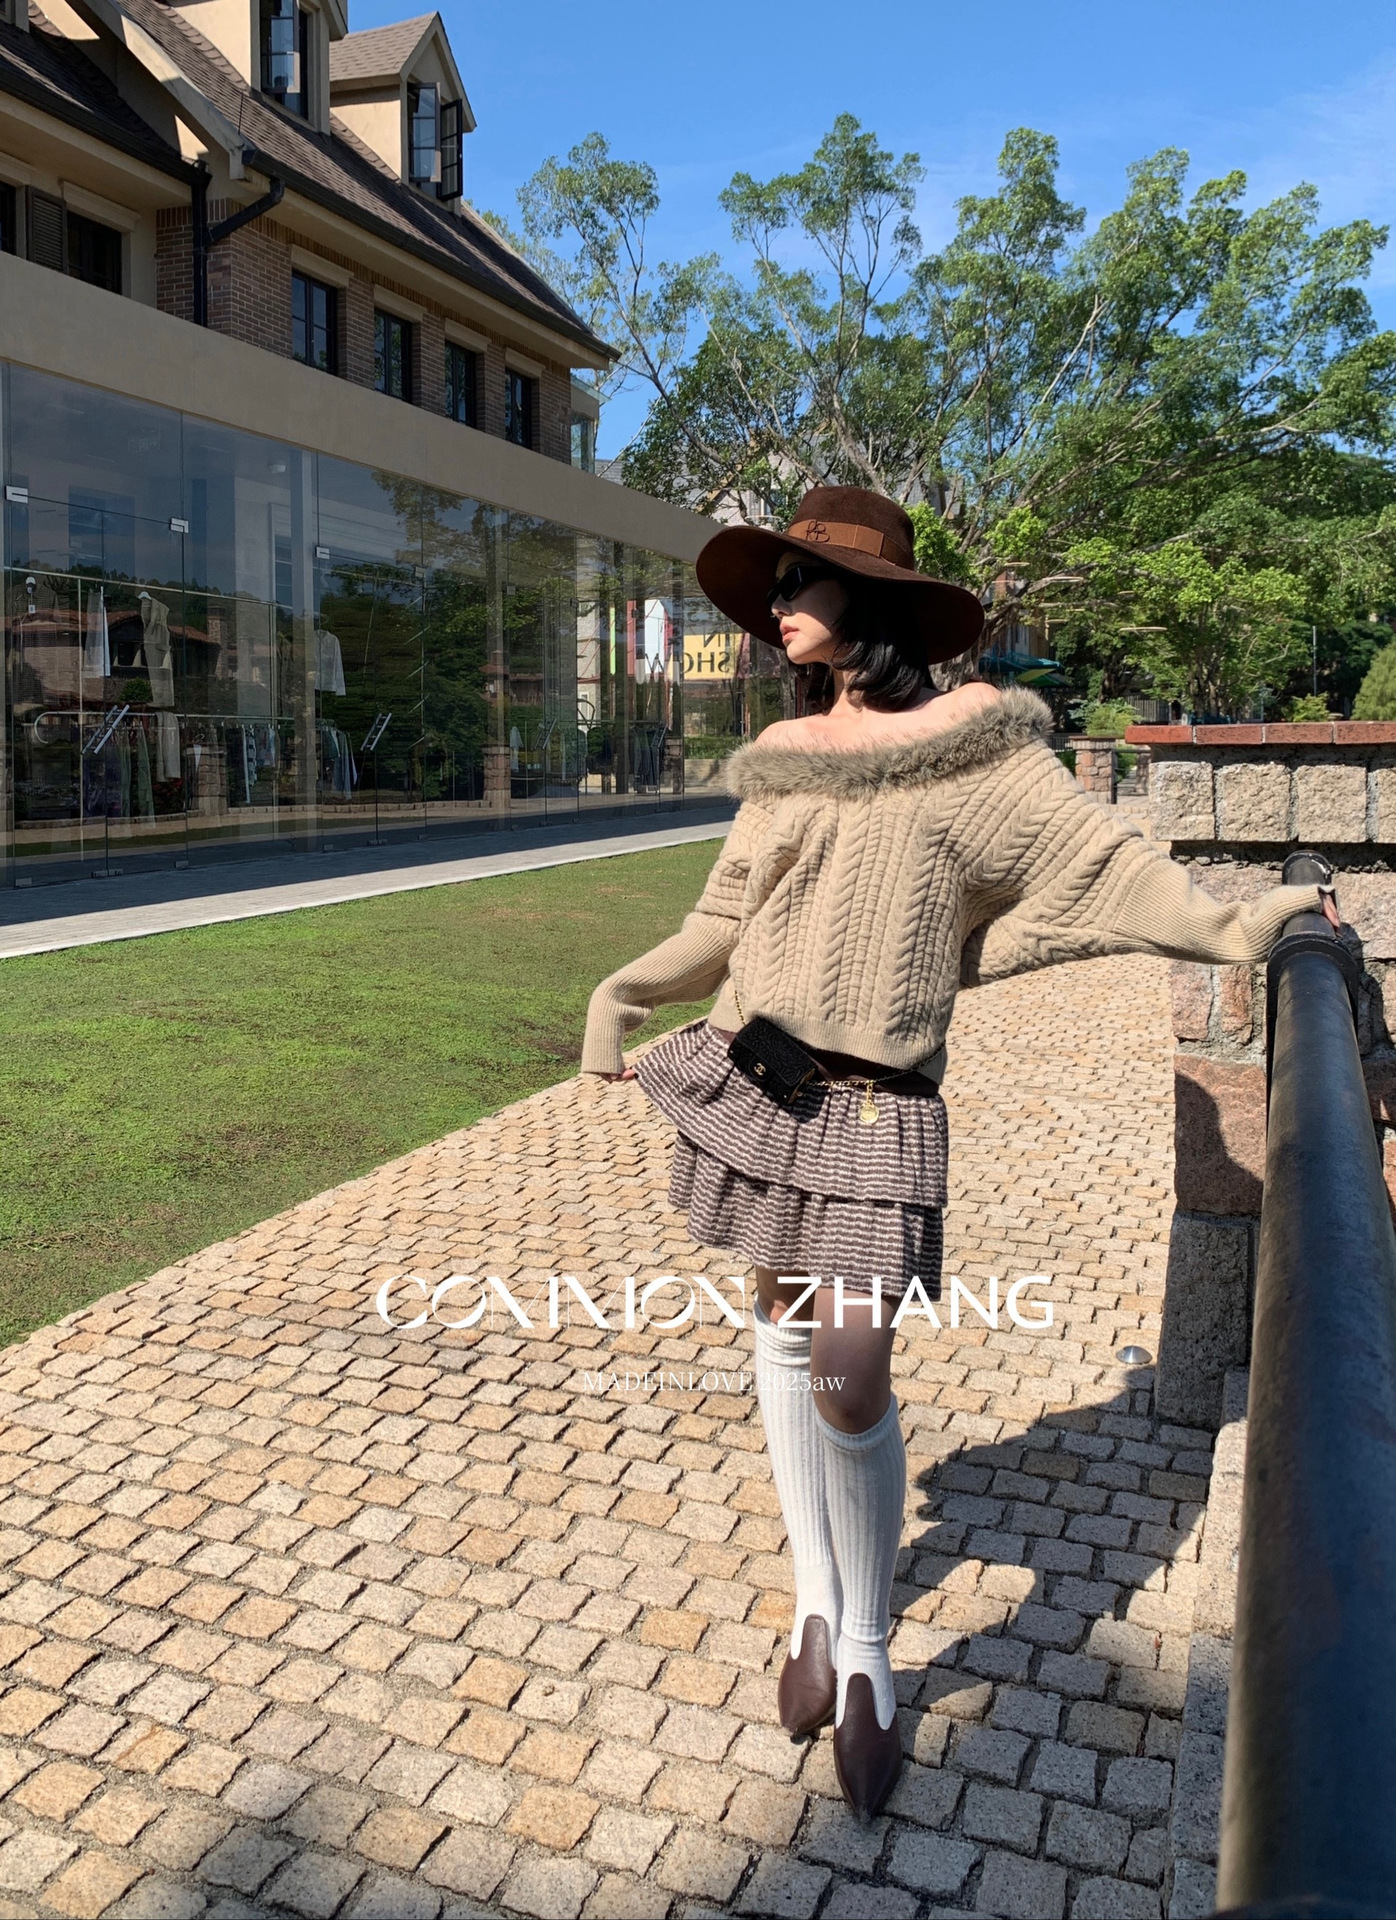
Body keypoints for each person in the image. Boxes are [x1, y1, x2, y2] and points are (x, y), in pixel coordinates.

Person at [580, 486, 1322, 1822]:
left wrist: (1230, 926)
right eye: (775, 585)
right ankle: (818, 1606)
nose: (778, 607)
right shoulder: (783, 750)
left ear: (870, 600)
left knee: (851, 1373)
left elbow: (1101, 863)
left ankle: (866, 1653)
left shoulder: (975, 742)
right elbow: (723, 920)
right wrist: (621, 991)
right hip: (756, 1081)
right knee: (785, 1335)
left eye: (801, 581)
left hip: (878, 1111)